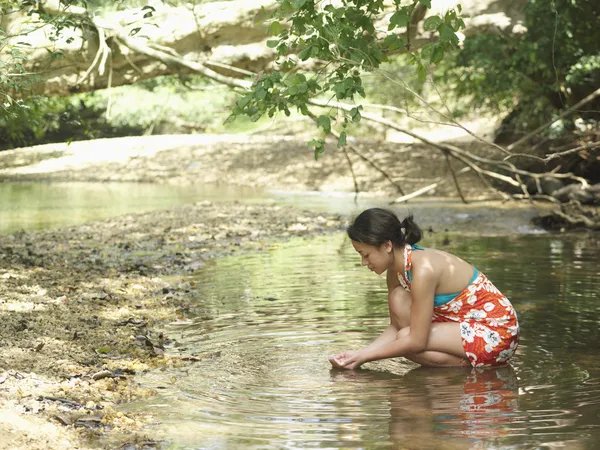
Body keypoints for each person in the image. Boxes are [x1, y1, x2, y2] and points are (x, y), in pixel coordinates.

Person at [328, 208, 519, 370]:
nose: (363, 262)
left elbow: (416, 341)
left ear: (387, 245)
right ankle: (464, 366)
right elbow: (395, 326)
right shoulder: (396, 269)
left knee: (407, 339)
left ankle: (468, 368)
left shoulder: (423, 269)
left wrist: (365, 358)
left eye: (366, 255)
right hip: (461, 323)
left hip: (496, 331)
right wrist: (359, 354)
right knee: (398, 303)